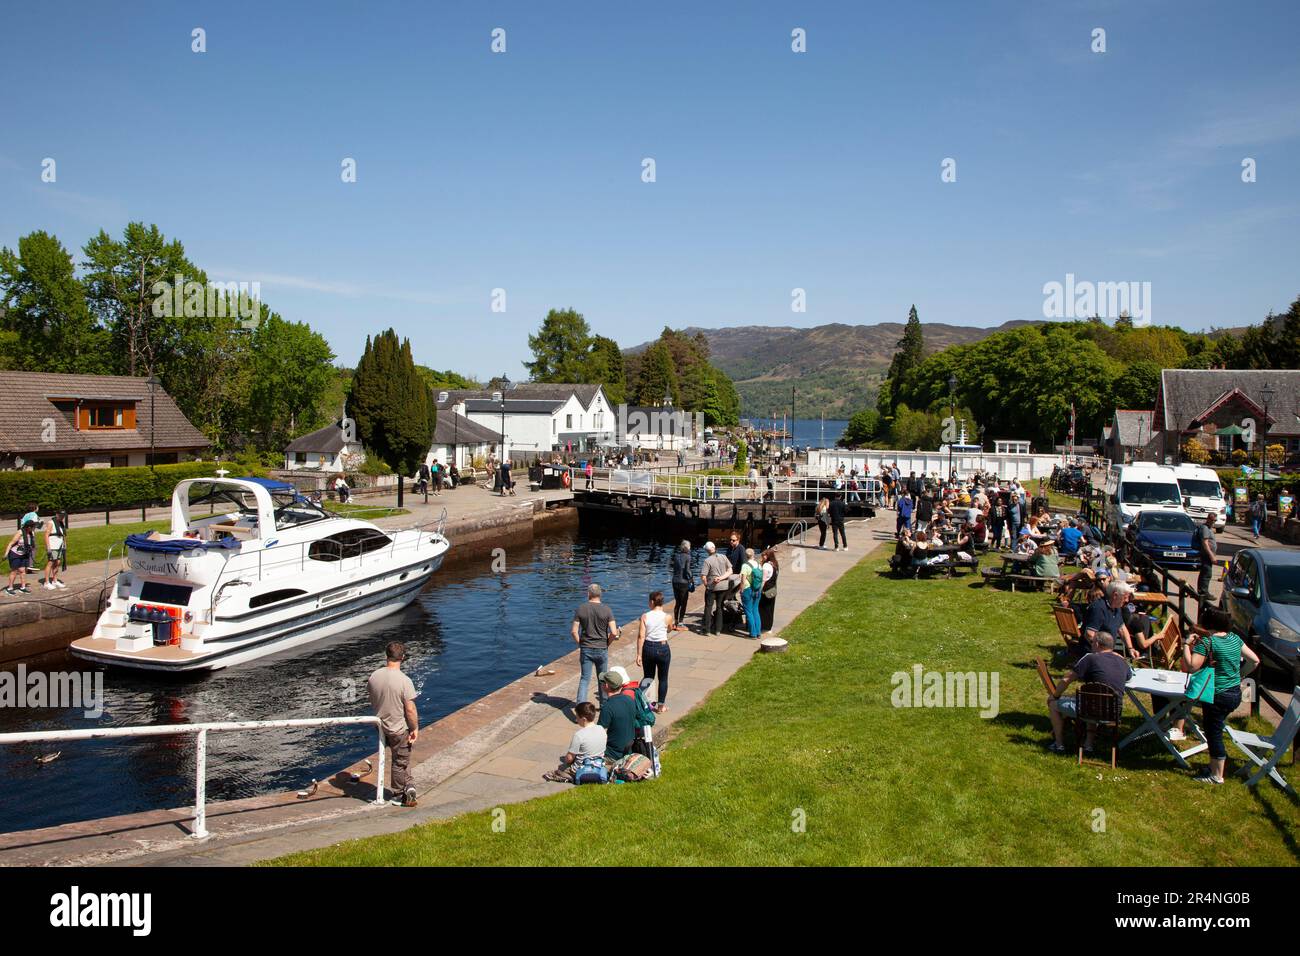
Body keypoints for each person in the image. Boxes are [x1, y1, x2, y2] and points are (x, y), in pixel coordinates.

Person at [1183, 606, 1259, 785]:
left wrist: (1186, 645)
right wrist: (1240, 675)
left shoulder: (1206, 643)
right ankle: (1213, 766)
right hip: (1234, 693)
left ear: (1208, 624)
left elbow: (1192, 666)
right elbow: (1254, 660)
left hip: (1217, 695)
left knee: (1213, 732)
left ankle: (1217, 775)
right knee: (1214, 727)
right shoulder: (1235, 639)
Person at [1044, 630, 1129, 754]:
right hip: (1113, 712)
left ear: (1098, 644)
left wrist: (1055, 696)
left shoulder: (1090, 658)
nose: (1091, 645)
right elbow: (1129, 677)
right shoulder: (1122, 662)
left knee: (1053, 705)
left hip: (1089, 710)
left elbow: (1067, 679)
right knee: (1093, 698)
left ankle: (1059, 744)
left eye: (1093, 642)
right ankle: (1088, 745)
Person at [366, 641, 419, 807]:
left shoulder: (374, 676)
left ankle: (409, 786)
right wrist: (414, 728)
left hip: (380, 725)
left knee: (403, 758)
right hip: (398, 728)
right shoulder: (404, 681)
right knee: (399, 761)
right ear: (403, 658)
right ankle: (398, 794)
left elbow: (372, 697)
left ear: (386, 656)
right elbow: (410, 709)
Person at [571, 584, 619, 705]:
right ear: (600, 594)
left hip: (586, 648)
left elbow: (574, 631)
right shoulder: (607, 610)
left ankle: (580, 709)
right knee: (602, 679)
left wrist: (581, 644)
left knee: (584, 679)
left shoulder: (581, 609)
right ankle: (604, 706)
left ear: (588, 594)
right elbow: (613, 632)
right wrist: (607, 643)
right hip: (602, 648)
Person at [542, 702, 607, 782]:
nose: (576, 719)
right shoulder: (601, 729)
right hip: (598, 764)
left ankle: (569, 776)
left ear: (583, 719)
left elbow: (569, 758)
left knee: (561, 768)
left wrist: (567, 759)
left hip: (582, 767)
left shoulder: (579, 735)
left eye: (577, 717)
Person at [636, 590, 673, 712]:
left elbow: (641, 636)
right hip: (663, 648)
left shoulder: (645, 616)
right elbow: (669, 629)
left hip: (648, 648)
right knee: (663, 678)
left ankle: (648, 704)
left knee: (648, 677)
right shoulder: (667, 617)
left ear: (652, 602)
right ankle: (661, 706)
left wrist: (639, 654)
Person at [1084, 583, 1137, 658]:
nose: (1127, 600)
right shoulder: (1098, 608)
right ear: (1115, 595)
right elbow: (1089, 634)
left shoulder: (1116, 607)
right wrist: (1108, 653)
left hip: (1106, 652)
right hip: (1093, 654)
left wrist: (1130, 648)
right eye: (1125, 597)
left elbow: (1122, 629)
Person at [597, 671, 637, 760]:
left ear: (606, 686)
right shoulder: (629, 699)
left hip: (613, 753)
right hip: (629, 748)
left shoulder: (607, 707)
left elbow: (599, 734)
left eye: (602, 682)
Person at [700, 541, 732, 635]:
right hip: (723, 586)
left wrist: (706, 585)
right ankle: (718, 630)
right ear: (715, 548)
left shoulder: (707, 561)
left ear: (707, 551)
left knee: (708, 607)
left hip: (712, 587)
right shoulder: (723, 557)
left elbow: (703, 576)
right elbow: (730, 570)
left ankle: (707, 630)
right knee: (719, 607)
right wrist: (721, 578)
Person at [4, 519, 37, 595]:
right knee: (14, 571)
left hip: (24, 554)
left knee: (23, 571)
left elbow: (31, 544)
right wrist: (6, 554)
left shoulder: (31, 533)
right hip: (15, 554)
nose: (34, 528)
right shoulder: (20, 532)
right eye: (33, 527)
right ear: (28, 527)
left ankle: (23, 587)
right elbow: (11, 543)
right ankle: (10, 588)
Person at [739, 548, 764, 639]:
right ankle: (758, 633)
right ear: (753, 555)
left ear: (746, 556)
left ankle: (752, 633)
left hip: (747, 589)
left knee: (748, 611)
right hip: (757, 589)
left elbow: (743, 580)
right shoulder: (759, 565)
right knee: (755, 610)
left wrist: (741, 590)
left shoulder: (745, 565)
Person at [1192, 511, 1217, 602]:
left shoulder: (1209, 528)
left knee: (1204, 572)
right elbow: (1205, 543)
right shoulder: (1205, 529)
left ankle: (1201, 591)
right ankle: (1203, 592)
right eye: (1211, 520)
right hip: (1206, 554)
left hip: (1208, 554)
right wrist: (1211, 556)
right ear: (1208, 519)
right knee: (1207, 573)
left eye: (1214, 520)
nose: (1213, 522)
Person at [669, 540, 692, 630]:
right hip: (683, 582)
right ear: (686, 547)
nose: (690, 548)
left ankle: (676, 622)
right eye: (689, 546)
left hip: (675, 581)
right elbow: (687, 570)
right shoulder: (688, 557)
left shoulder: (676, 556)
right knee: (684, 603)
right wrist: (691, 579)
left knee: (677, 602)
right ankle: (681, 623)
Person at [42, 511, 68, 590]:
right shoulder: (51, 523)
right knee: (50, 563)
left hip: (59, 546)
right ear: (57, 515)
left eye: (63, 516)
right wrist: (48, 547)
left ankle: (55, 580)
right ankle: (46, 582)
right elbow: (46, 535)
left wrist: (64, 544)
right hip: (52, 546)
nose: (62, 517)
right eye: (61, 515)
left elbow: (63, 535)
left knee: (57, 562)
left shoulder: (60, 523)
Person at [758, 548, 779, 632]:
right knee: (770, 609)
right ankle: (768, 627)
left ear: (768, 556)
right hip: (773, 589)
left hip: (766, 590)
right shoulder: (775, 564)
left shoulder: (766, 566)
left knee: (763, 609)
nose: (762, 557)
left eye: (764, 556)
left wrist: (759, 590)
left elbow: (763, 580)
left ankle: (764, 626)